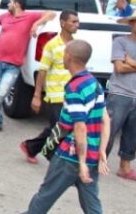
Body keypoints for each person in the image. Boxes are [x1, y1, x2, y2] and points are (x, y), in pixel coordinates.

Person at [23, 40, 110, 214]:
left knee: (43, 198)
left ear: (69, 57)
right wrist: (101, 151)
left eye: (64, 53)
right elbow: (105, 120)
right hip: (92, 156)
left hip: (70, 157)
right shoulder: (94, 83)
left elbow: (80, 127)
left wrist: (82, 162)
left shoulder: (74, 87)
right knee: (92, 205)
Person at [0, 0, 55, 131]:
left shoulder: (30, 17)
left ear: (17, 4)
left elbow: (51, 14)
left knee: (2, 92)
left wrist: (37, 24)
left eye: (11, 2)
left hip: (14, 64)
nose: (8, 4)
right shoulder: (5, 16)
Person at [20, 11, 79, 164]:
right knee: (59, 128)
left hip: (71, 95)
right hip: (55, 95)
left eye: (77, 22)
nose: (76, 25)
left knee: (58, 128)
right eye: (73, 22)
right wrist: (37, 95)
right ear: (62, 23)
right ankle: (53, 157)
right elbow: (43, 71)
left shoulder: (75, 45)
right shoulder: (52, 45)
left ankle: (31, 147)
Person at [105, 7, 136, 183]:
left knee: (134, 132)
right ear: (131, 23)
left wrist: (131, 62)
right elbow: (119, 68)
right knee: (109, 131)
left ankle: (125, 167)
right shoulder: (120, 42)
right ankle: (95, 163)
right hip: (120, 93)